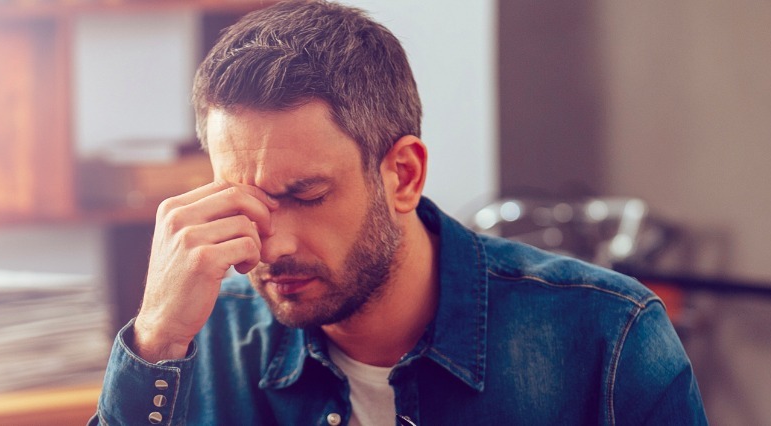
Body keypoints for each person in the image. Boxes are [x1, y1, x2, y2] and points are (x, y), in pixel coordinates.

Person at [91, 1, 707, 424]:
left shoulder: (608, 336)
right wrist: (156, 340)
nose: (269, 245)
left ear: (403, 175)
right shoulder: (202, 341)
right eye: (243, 199)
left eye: (306, 195)